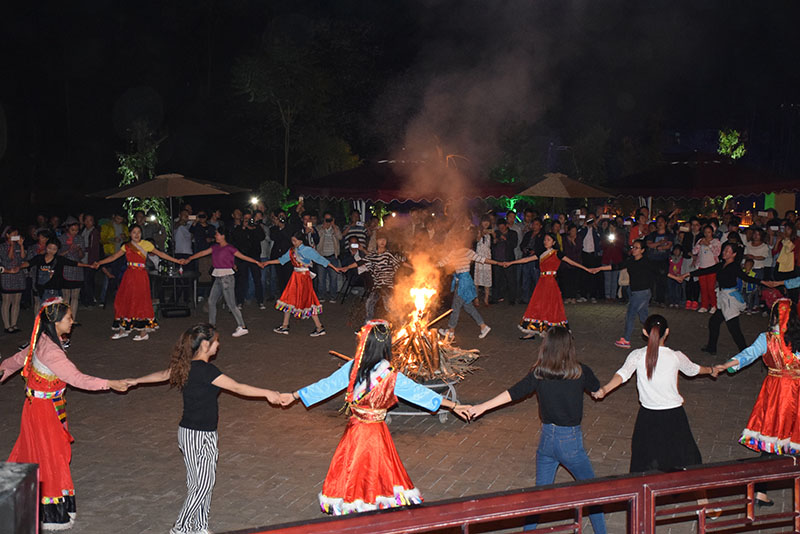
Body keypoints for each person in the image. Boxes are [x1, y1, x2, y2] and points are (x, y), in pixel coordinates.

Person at [278, 320, 468, 515]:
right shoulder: (390, 375)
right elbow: (418, 393)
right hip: (376, 431)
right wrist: (453, 405)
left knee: (355, 468)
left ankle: (359, 502)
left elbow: (327, 385)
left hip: (358, 430)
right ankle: (370, 503)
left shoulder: (354, 367)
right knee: (378, 467)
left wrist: (294, 395)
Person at [123, 324, 281, 534]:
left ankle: (199, 526)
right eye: (216, 341)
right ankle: (180, 528)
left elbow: (162, 375)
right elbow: (236, 387)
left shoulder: (186, 366)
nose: (218, 344)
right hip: (202, 435)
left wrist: (135, 381)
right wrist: (268, 393)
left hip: (187, 433)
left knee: (197, 483)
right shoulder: (207, 371)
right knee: (204, 484)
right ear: (205, 344)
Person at [0, 299, 129, 530]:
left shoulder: (44, 339)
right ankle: (50, 511)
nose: (72, 321)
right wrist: (109, 383)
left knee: (39, 452)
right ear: (56, 321)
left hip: (43, 408)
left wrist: (4, 368)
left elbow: (20, 359)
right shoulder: (51, 351)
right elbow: (77, 379)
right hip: (43, 411)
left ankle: (21, 497)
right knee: (50, 455)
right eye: (68, 318)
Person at [465, 326, 606, 534]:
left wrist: (482, 407)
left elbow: (514, 392)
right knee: (593, 493)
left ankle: (528, 531)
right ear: (569, 346)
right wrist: (601, 391)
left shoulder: (539, 373)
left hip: (547, 441)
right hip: (570, 443)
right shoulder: (581, 371)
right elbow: (598, 391)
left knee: (538, 496)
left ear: (546, 346)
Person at [593, 314, 716, 473]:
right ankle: (697, 494)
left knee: (645, 462)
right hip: (674, 415)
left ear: (645, 332)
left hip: (648, 416)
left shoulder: (637, 355)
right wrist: (712, 370)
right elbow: (694, 370)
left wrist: (604, 390)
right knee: (685, 460)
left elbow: (622, 375)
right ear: (667, 332)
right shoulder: (675, 356)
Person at [713, 299, 800, 507]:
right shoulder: (796, 338)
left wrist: (726, 365)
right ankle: (764, 489)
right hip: (795, 391)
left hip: (776, 392)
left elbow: (748, 355)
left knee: (771, 436)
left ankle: (761, 491)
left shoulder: (767, 339)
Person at [93, 224, 184, 341]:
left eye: (139, 232)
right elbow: (114, 257)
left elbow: (161, 254)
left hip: (140, 276)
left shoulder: (147, 245)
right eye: (134, 232)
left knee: (141, 301)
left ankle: (143, 332)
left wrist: (177, 260)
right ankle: (123, 330)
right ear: (130, 234)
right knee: (123, 300)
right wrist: (100, 263)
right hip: (129, 276)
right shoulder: (126, 246)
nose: (137, 234)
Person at [506, 233, 593, 340]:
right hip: (542, 282)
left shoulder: (557, 253)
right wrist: (511, 262)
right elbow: (526, 260)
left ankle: (558, 333)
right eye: (545, 239)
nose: (545, 241)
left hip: (551, 283)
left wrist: (586, 269)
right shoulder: (541, 253)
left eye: (548, 239)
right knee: (536, 305)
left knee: (552, 307)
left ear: (554, 242)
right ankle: (532, 331)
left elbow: (572, 262)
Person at [684, 242, 766, 356]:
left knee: (734, 328)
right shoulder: (722, 264)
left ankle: (746, 353)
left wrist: (762, 282)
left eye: (727, 251)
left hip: (729, 299)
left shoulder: (734, 266)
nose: (724, 252)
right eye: (724, 250)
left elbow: (746, 277)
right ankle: (712, 348)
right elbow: (705, 270)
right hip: (723, 297)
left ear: (734, 254)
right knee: (714, 322)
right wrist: (687, 274)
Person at [185, 226, 266, 337]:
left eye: (217, 234)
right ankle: (211, 326)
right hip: (219, 277)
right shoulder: (215, 247)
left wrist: (257, 262)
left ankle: (242, 326)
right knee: (211, 301)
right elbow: (202, 253)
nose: (215, 235)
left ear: (223, 236)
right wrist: (190, 258)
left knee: (231, 304)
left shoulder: (230, 248)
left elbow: (243, 257)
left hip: (227, 278)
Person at [263, 231, 338, 336]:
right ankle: (285, 325)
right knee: (288, 298)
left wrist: (334, 267)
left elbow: (320, 259)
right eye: (292, 240)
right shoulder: (293, 250)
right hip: (295, 277)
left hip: (303, 278)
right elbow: (282, 260)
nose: (293, 242)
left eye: (295, 240)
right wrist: (268, 262)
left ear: (301, 240)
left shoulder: (307, 250)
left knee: (308, 300)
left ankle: (319, 327)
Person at [436, 236, 500, 340]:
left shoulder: (467, 252)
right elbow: (443, 262)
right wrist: (431, 266)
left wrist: (497, 263)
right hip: (458, 281)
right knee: (468, 306)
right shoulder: (453, 253)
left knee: (455, 306)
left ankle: (451, 330)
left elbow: (482, 259)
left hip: (464, 282)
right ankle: (483, 327)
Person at [340, 233, 409, 322]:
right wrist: (347, 267)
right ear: (376, 241)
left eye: (384, 239)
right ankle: (367, 325)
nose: (382, 241)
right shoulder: (372, 255)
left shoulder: (390, 254)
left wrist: (415, 267)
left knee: (390, 307)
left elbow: (402, 262)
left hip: (387, 286)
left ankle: (403, 323)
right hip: (377, 286)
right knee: (369, 304)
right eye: (380, 239)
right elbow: (360, 262)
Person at [0, 227, 26, 333]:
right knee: (7, 301)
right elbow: (7, 259)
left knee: (16, 301)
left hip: (18, 275)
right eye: (13, 234)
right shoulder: (2, 246)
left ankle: (14, 324)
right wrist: (11, 245)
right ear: (7, 235)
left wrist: (21, 245)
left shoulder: (18, 245)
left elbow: (23, 258)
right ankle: (7, 326)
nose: (15, 236)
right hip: (7, 275)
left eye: (17, 234)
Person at [59, 219, 85, 324]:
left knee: (75, 296)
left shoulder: (80, 238)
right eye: (72, 229)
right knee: (66, 296)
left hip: (77, 269)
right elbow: (57, 254)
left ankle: (73, 318)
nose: (75, 232)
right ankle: (65, 318)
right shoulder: (61, 239)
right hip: (65, 269)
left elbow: (82, 255)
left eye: (77, 230)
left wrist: (78, 250)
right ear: (67, 228)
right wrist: (69, 249)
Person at [315, 212, 342, 303]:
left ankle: (333, 296)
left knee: (333, 278)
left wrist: (333, 226)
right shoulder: (319, 228)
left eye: (329, 219)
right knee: (321, 278)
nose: (328, 221)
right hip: (321, 257)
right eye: (326, 219)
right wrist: (323, 228)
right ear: (323, 219)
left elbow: (340, 237)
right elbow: (316, 238)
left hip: (332, 257)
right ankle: (321, 296)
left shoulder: (336, 228)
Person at [474, 215, 494, 306]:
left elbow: (494, 243)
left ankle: (486, 299)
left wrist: (494, 235)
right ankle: (476, 298)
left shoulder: (491, 232)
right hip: (479, 257)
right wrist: (481, 233)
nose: (486, 223)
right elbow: (477, 240)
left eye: (487, 221)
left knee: (487, 278)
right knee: (477, 279)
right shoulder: (478, 231)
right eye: (484, 221)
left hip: (487, 257)